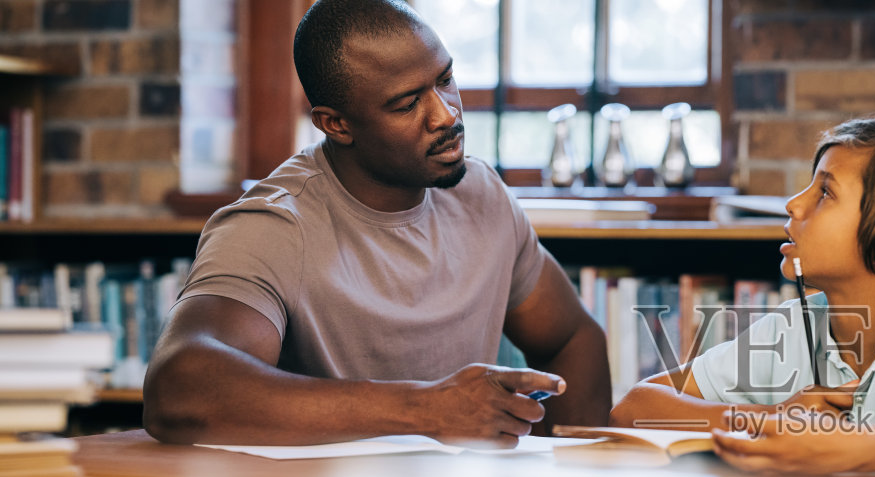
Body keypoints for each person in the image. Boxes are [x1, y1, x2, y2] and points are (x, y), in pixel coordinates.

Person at [144, 0, 609, 447]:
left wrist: (565, 470)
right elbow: (180, 391)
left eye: (445, 79)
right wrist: (427, 410)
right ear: (336, 124)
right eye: (407, 104)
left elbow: (574, 338)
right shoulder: (275, 224)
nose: (446, 114)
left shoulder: (482, 195)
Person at [610, 115, 875, 474]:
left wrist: (840, 448)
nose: (793, 204)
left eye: (825, 192)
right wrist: (769, 419)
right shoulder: (792, 326)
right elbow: (633, 408)